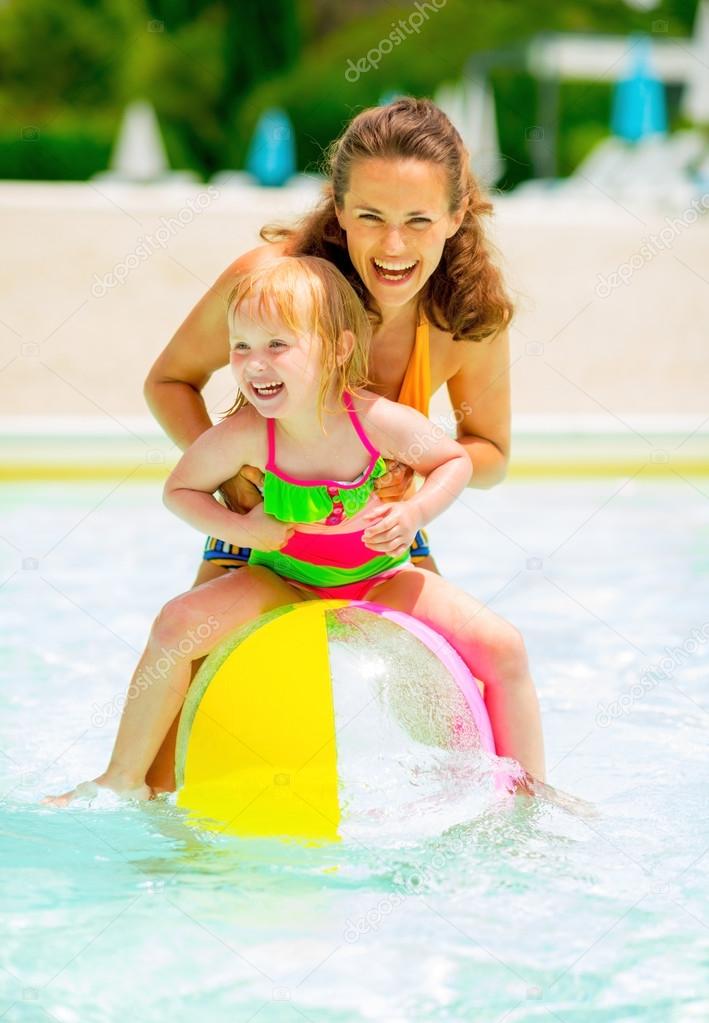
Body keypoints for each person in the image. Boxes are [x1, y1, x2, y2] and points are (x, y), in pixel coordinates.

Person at [43, 256, 544, 807]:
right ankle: (120, 779)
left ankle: (529, 793)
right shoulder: (246, 435)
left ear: (338, 349)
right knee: (174, 625)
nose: (255, 364)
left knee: (505, 647)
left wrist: (414, 514)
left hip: (378, 577)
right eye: (241, 347)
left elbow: (455, 462)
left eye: (277, 345)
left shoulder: (374, 420)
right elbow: (179, 492)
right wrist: (244, 530)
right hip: (282, 578)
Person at [142, 96, 519, 792]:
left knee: (455, 700)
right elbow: (168, 381)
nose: (393, 246)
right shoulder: (272, 283)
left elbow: (487, 450)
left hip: (379, 535)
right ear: (338, 209)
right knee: (174, 747)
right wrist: (233, 483)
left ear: (456, 217)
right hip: (266, 521)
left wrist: (411, 489)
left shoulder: (466, 320)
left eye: (417, 220)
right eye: (370, 216)